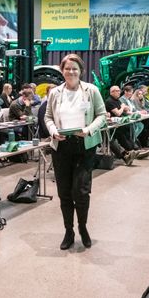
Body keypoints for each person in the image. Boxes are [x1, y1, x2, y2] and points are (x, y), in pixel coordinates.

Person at [44, 54, 106, 250]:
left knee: (81, 190)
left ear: (81, 71)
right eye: (67, 68)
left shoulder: (91, 90)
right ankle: (68, 231)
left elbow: (102, 115)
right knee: (64, 192)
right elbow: (48, 117)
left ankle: (83, 227)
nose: (71, 72)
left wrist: (88, 130)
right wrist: (53, 131)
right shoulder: (55, 93)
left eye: (74, 68)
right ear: (62, 70)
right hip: (61, 146)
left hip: (84, 146)